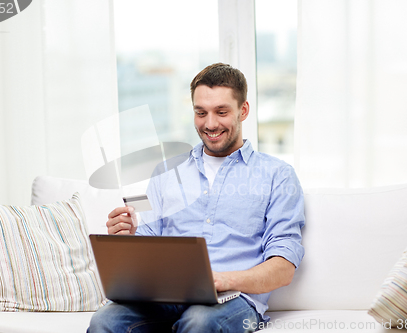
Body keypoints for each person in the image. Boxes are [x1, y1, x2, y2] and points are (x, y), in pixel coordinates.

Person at [88, 63, 305, 333]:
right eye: (201, 113)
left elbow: (283, 268)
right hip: (166, 298)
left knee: (200, 321)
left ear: (243, 110)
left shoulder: (278, 175)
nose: (210, 124)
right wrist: (125, 238)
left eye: (221, 112)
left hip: (234, 300)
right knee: (104, 321)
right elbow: (148, 244)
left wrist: (222, 280)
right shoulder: (165, 172)